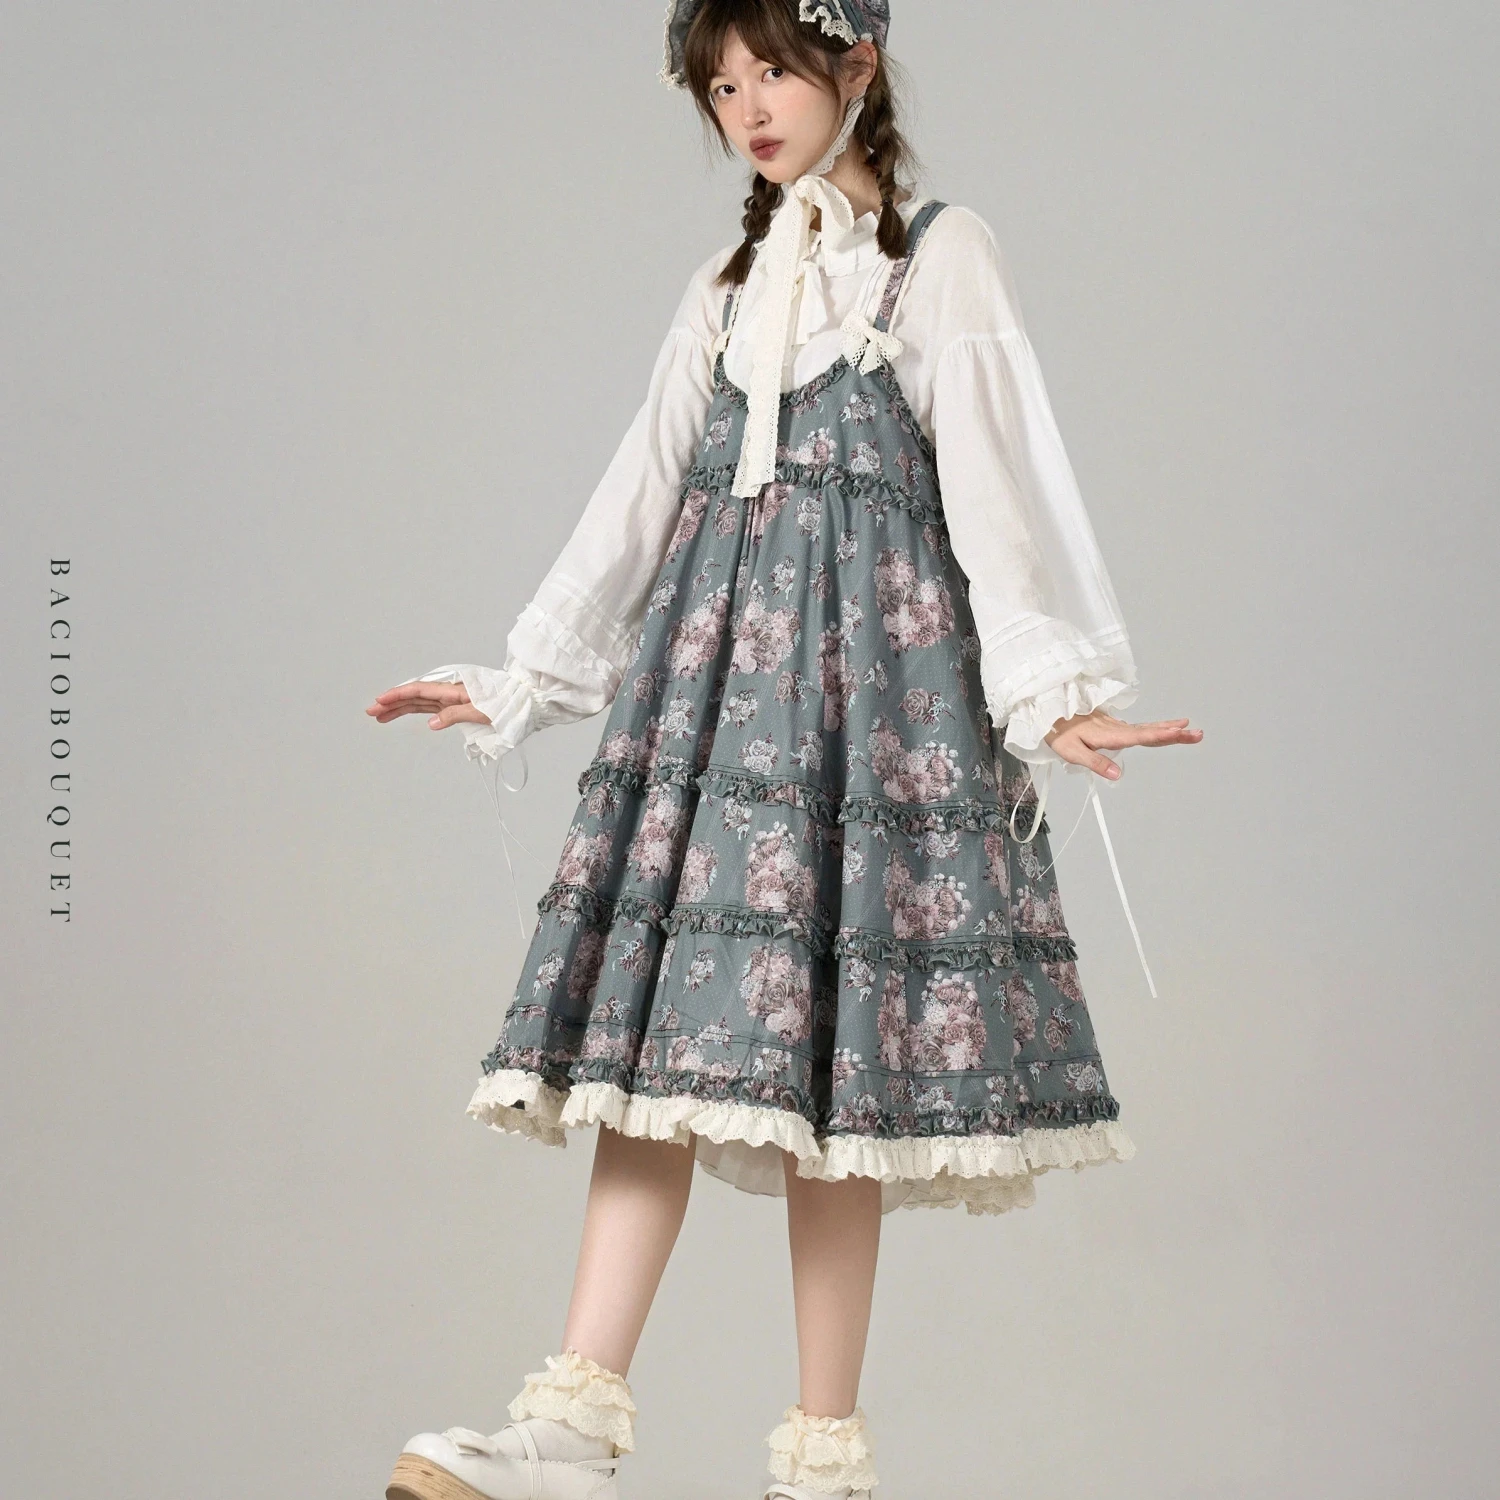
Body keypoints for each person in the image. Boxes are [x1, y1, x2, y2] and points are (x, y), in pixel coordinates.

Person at [367, 3, 1203, 1497]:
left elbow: (994, 488)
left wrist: (1046, 688)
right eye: (721, 85)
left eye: (773, 73)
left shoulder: (936, 258)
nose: (747, 107)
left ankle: (823, 1459)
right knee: (656, 1055)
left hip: (869, 719)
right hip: (711, 718)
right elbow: (638, 497)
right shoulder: (723, 288)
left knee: (836, 1087)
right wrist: (525, 679)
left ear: (856, 66)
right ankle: (574, 1424)